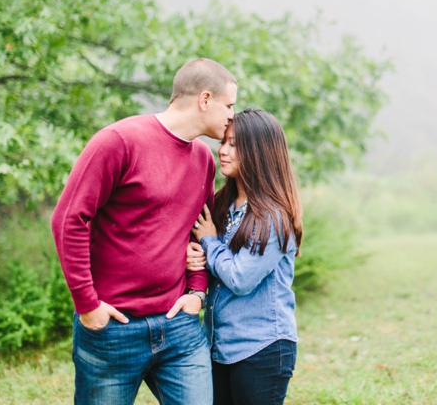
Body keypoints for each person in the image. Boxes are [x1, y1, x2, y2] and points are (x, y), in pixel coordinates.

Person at [51, 58, 237, 405]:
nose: (231, 116)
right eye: (229, 105)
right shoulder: (119, 141)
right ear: (205, 99)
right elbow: (68, 219)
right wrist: (87, 304)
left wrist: (196, 292)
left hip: (178, 326)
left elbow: (200, 231)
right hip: (113, 329)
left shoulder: (203, 159)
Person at [186, 109, 303, 405]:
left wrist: (210, 242)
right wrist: (195, 257)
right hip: (219, 344)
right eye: (224, 142)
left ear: (259, 152)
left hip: (262, 348)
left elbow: (239, 278)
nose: (222, 151)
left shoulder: (273, 217)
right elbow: (216, 267)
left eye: (234, 144)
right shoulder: (223, 202)